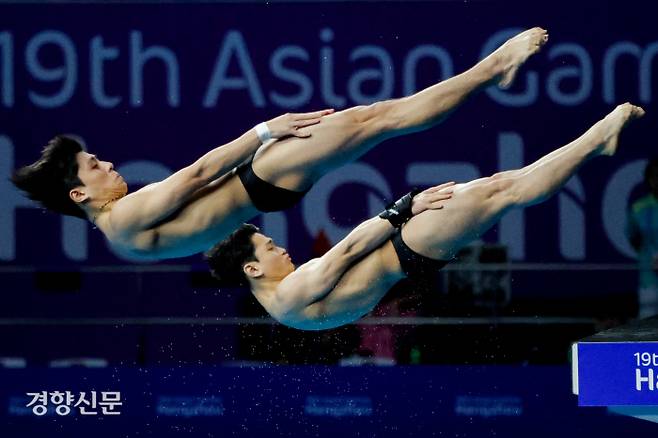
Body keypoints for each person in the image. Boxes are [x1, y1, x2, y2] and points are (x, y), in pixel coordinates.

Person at [11, 28, 548, 260]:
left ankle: (490, 72)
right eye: (93, 166)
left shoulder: (124, 236)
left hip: (262, 190)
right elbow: (198, 175)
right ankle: (496, 66)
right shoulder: (123, 220)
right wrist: (265, 132)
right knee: (382, 118)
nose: (106, 164)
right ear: (80, 195)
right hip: (260, 178)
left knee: (381, 120)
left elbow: (203, 224)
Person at [206, 104, 644, 330]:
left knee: (502, 188)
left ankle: (595, 142)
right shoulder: (291, 294)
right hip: (407, 246)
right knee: (503, 190)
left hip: (409, 257)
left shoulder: (284, 310)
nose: (281, 247)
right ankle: (597, 141)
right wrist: (402, 209)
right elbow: (348, 250)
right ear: (251, 268)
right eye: (269, 247)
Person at [627, 157, 658, 318]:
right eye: (654, 176)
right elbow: (633, 238)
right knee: (647, 325)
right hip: (649, 280)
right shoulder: (639, 207)